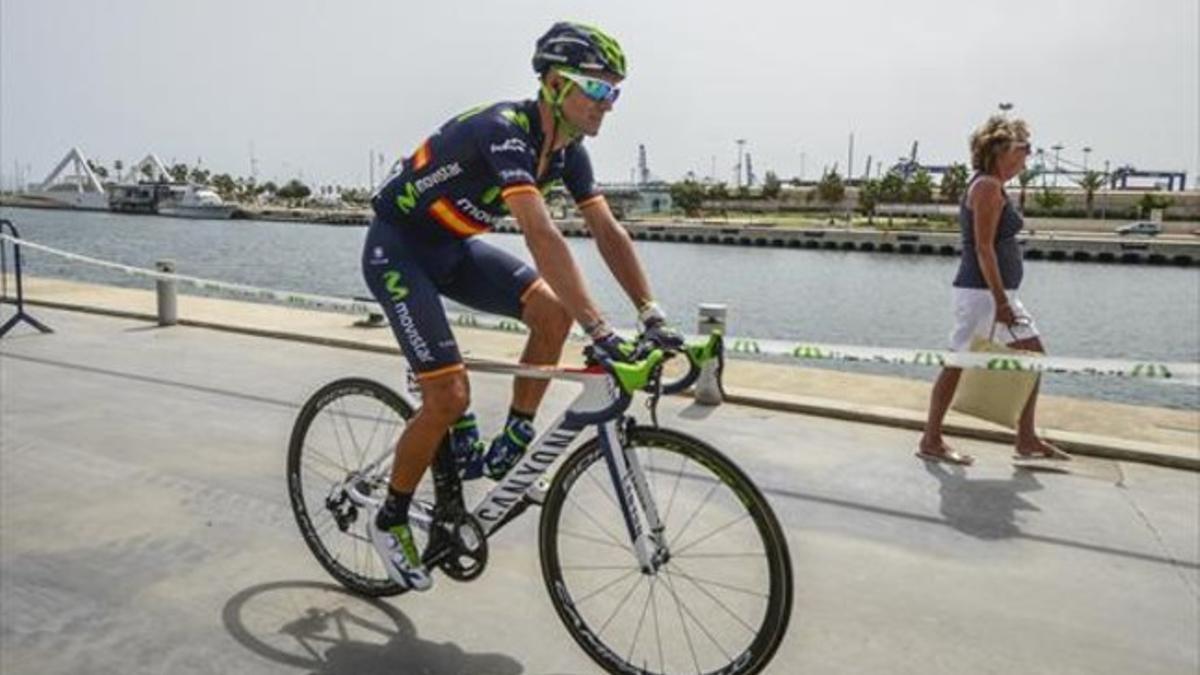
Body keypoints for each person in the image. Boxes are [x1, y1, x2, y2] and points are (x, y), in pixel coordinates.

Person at [361, 22, 682, 590]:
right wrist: (603, 331)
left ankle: (512, 439)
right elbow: (539, 233)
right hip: (400, 249)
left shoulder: (568, 155)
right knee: (449, 394)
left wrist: (652, 315)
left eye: (617, 92)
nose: (609, 104)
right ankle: (389, 520)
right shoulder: (506, 130)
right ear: (557, 84)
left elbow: (607, 233)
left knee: (551, 314)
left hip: (452, 248)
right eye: (599, 89)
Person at [917, 115, 1070, 466]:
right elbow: (984, 248)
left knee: (1020, 357)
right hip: (982, 294)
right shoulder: (986, 186)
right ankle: (932, 439)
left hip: (992, 293)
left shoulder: (993, 185)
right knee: (959, 362)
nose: (1026, 157)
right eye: (1023, 149)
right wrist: (1001, 301)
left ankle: (1025, 438)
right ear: (1000, 150)